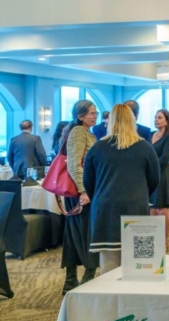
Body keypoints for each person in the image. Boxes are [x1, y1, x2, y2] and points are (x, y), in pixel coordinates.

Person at [83, 104, 160, 274]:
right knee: (141, 267)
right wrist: (141, 194)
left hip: (105, 207)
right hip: (136, 205)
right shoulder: (145, 147)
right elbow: (154, 179)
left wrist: (100, 196)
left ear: (110, 121)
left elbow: (88, 182)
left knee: (108, 268)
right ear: (132, 121)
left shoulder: (97, 148)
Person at [60, 100, 99, 294]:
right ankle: (86, 279)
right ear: (80, 116)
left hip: (80, 192)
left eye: (95, 112)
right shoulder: (78, 132)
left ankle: (71, 280)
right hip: (79, 193)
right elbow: (74, 164)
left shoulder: (85, 132)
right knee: (85, 234)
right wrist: (83, 191)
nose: (95, 116)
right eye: (91, 113)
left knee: (75, 233)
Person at [150, 109, 169, 250]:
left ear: (167, 121)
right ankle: (155, 239)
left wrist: (149, 167)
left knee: (162, 208)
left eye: (159, 117)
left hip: (163, 174)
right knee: (152, 208)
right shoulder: (151, 135)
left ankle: (164, 240)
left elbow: (165, 158)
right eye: (155, 117)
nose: (156, 119)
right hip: (151, 176)